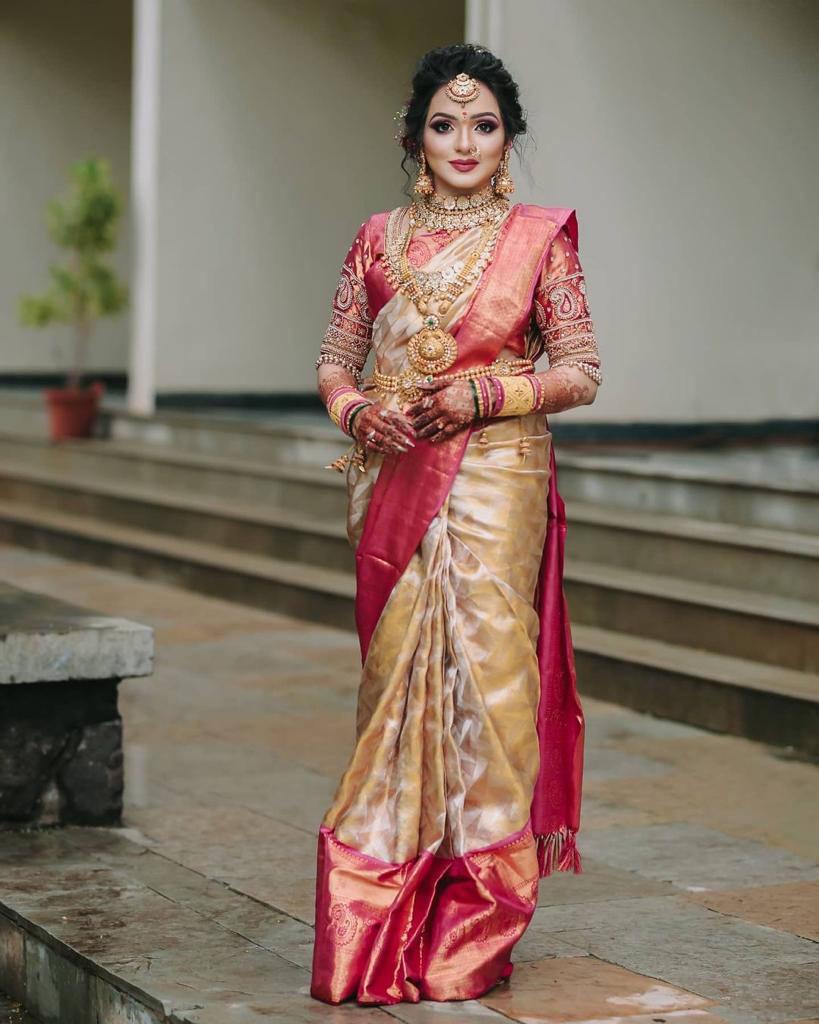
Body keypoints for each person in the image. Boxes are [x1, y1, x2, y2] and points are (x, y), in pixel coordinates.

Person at [311, 43, 601, 1006]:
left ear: (507, 136)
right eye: (444, 123)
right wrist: (360, 412)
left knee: (491, 686)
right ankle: (377, 904)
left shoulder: (539, 239)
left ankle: (476, 913)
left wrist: (487, 390)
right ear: (414, 138)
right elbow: (335, 361)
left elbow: (581, 369)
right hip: (395, 481)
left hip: (496, 478)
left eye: (482, 124)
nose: (463, 140)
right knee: (398, 683)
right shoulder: (374, 238)